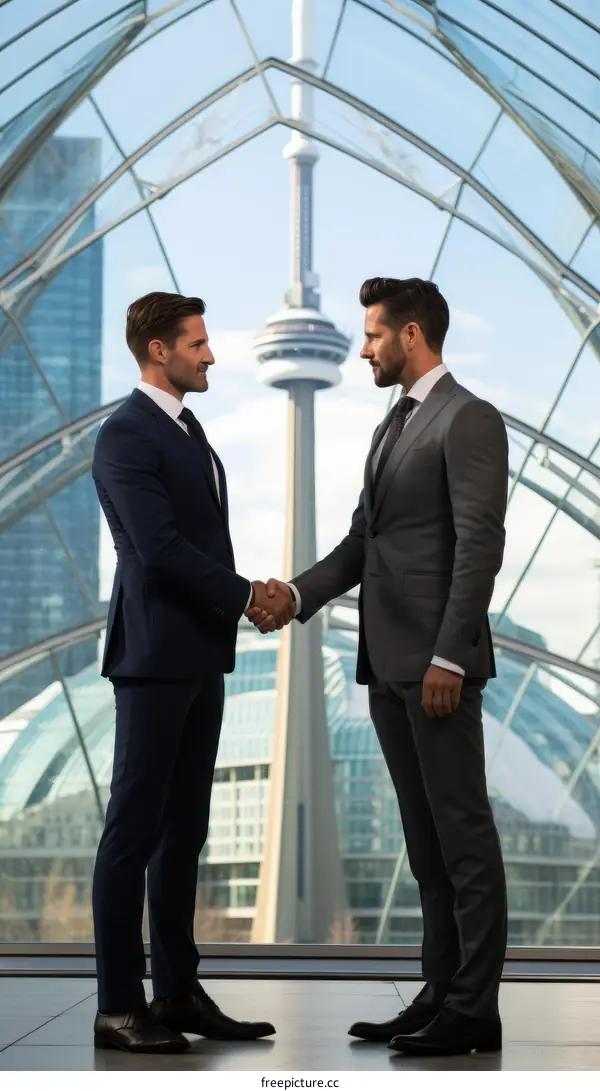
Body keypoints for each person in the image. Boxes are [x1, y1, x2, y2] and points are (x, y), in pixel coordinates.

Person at [254, 277, 509, 1057]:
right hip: (387, 669)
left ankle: (475, 1009)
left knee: (464, 838)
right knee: (426, 844)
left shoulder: (468, 419)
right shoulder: (391, 428)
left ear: (412, 335)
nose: (363, 347)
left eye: (372, 334)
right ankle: (438, 995)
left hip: (435, 669)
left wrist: (449, 657)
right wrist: (293, 594)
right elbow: (362, 546)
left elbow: (480, 546)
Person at [92, 291, 293, 1053]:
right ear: (158, 352)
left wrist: (246, 602)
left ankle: (175, 990)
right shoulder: (126, 434)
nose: (210, 354)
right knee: (132, 834)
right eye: (197, 343)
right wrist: (250, 596)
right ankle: (119, 1003)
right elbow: (158, 547)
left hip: (199, 656)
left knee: (185, 834)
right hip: (152, 660)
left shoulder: (186, 429)